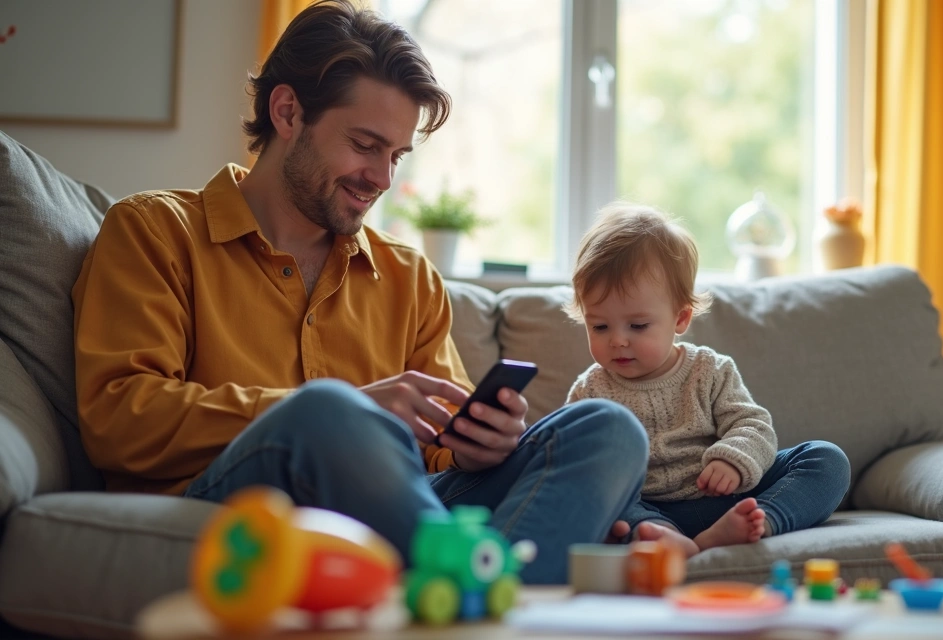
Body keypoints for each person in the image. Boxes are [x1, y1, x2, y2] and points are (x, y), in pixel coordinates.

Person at [70, 0, 647, 584]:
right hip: (240, 503)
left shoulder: (409, 277)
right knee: (327, 408)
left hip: (400, 511)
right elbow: (119, 419)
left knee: (606, 429)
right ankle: (466, 584)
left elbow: (439, 449)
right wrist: (339, 409)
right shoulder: (154, 231)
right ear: (288, 112)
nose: (383, 178)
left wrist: (476, 444)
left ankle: (478, 594)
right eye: (366, 145)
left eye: (396, 155)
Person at [564, 203, 851, 557]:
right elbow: (573, 463)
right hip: (646, 510)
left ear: (680, 319)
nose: (618, 340)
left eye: (637, 325)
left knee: (826, 459)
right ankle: (665, 537)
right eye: (599, 326)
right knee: (596, 495)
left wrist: (732, 460)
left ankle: (759, 521)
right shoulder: (590, 391)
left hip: (727, 497)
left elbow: (754, 425)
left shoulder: (709, 370)